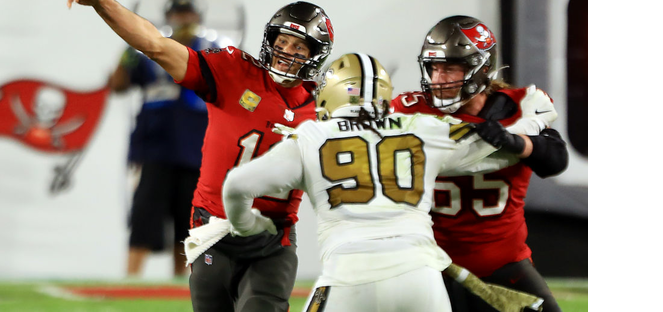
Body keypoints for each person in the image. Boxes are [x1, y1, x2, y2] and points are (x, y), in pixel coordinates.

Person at [68, 0, 334, 312]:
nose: (286, 52)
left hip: (273, 238)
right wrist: (101, 2)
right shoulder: (234, 72)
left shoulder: (324, 109)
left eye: (299, 46)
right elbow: (154, 44)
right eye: (282, 40)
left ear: (315, 55)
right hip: (215, 231)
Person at [221, 52, 555, 312]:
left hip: (348, 273)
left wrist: (246, 225)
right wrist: (534, 121)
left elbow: (237, 185)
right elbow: (496, 149)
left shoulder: (311, 136)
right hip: (420, 274)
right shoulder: (421, 128)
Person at [391, 15, 569, 312]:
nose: (438, 79)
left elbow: (555, 159)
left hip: (504, 263)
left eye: (449, 68)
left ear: (480, 69)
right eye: (433, 67)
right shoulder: (410, 111)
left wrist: (515, 142)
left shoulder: (520, 107)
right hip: (431, 266)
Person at [108, 0, 216, 277]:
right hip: (155, 150)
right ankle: (130, 283)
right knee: (144, 219)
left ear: (198, 17)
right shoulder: (147, 52)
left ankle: (180, 288)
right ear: (168, 18)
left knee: (189, 227)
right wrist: (127, 49)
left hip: (196, 152)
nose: (184, 19)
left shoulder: (212, 52)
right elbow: (117, 85)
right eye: (178, 14)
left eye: (188, 13)